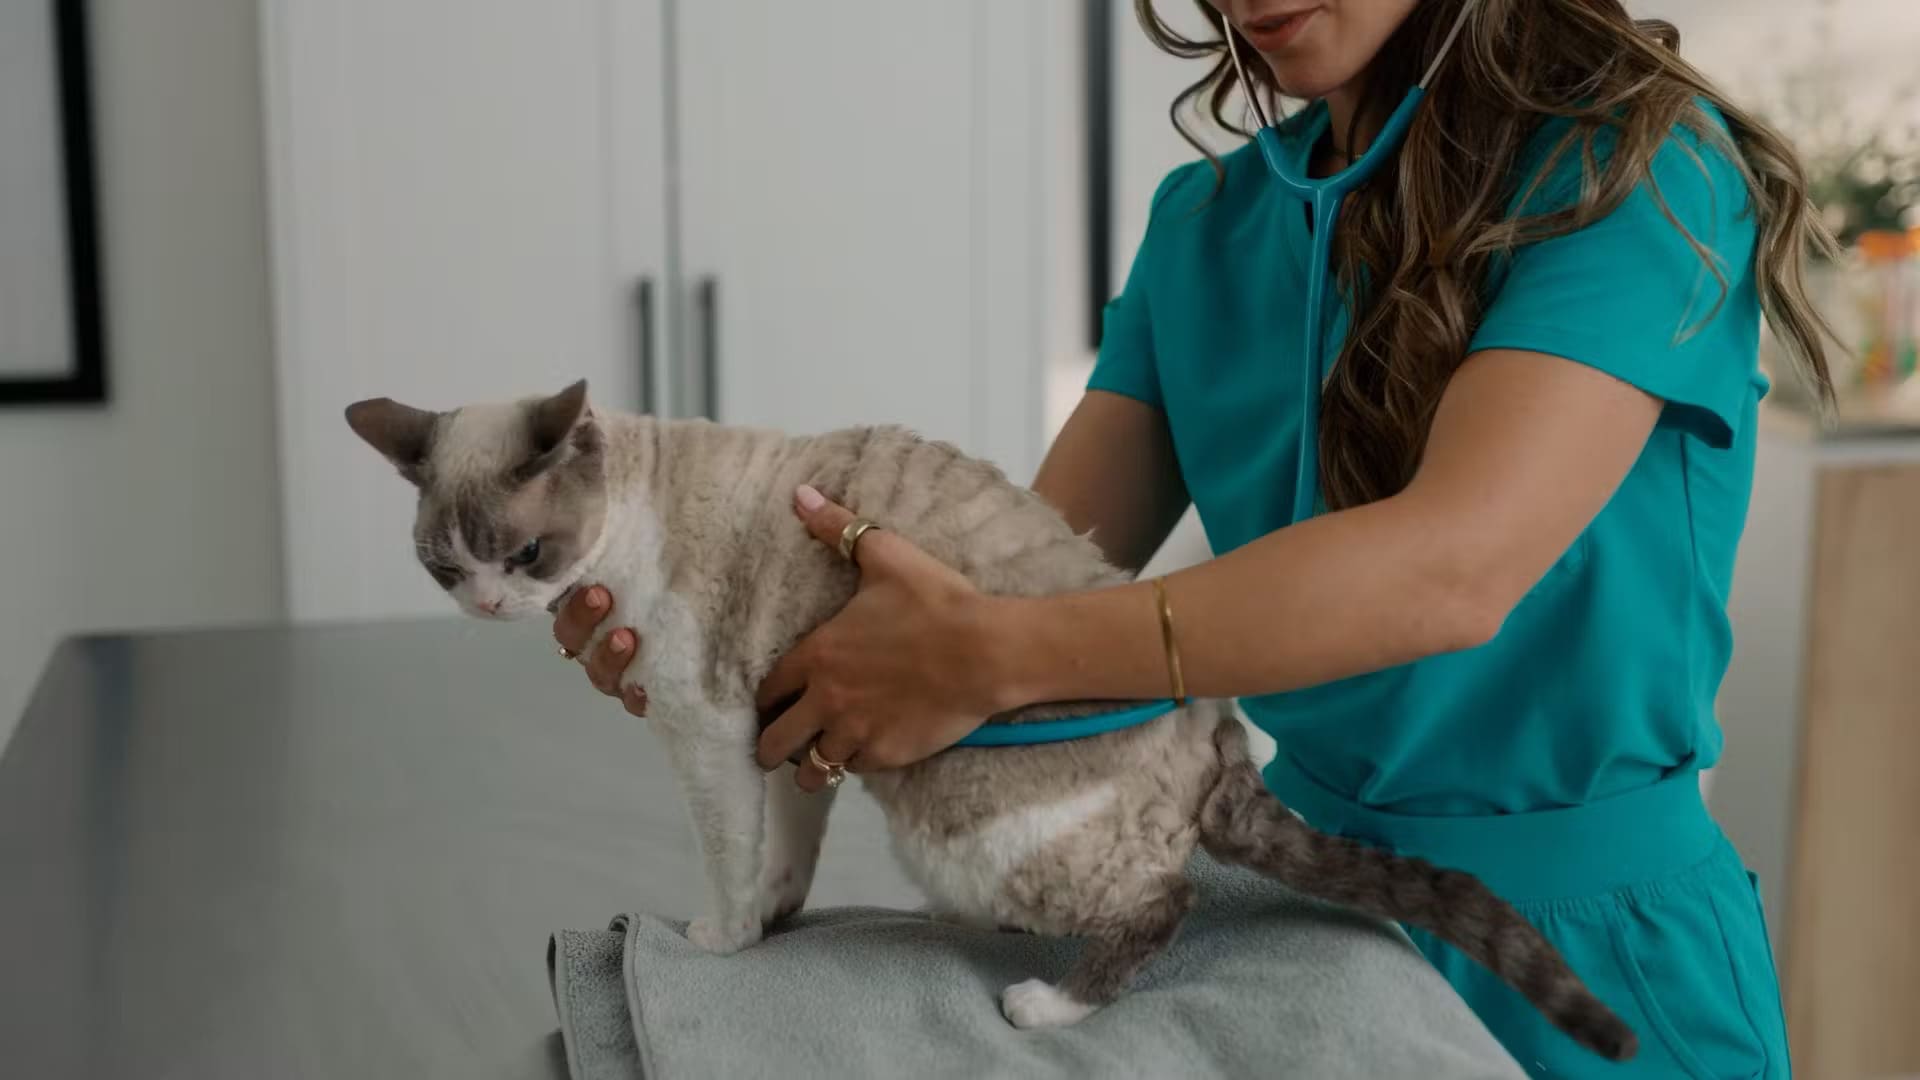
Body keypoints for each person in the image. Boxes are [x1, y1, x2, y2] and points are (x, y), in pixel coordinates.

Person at [554, 1, 1833, 1074]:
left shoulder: (1639, 174)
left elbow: (1451, 570)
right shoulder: (1206, 225)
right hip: (1302, 926)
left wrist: (988, 657)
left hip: (1597, 955)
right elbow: (1000, 588)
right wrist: (721, 631)